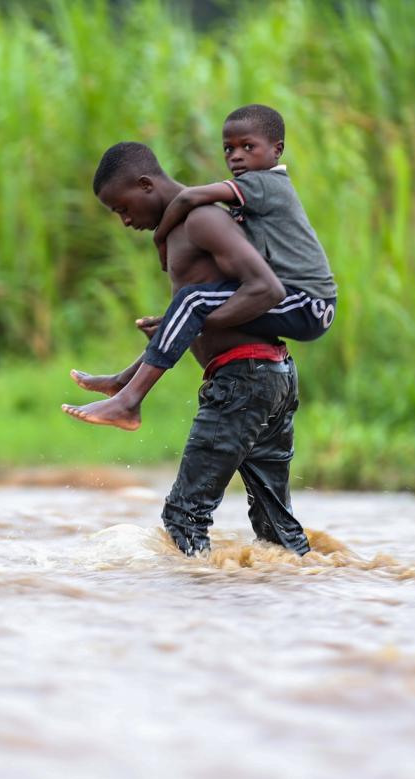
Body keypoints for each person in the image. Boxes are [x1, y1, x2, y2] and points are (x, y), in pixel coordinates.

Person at [67, 141, 310, 557]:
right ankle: (296, 602)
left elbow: (266, 288)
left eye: (122, 208)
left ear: (145, 184)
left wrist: (201, 323)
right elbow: (207, 309)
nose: (125, 220)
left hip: (242, 381)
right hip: (268, 376)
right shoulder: (183, 229)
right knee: (276, 531)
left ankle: (193, 614)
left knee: (184, 517)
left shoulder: (200, 221)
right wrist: (126, 373)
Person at [62, 104, 336, 432]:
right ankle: (125, 382)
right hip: (285, 327)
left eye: (248, 147)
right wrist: (182, 323)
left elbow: (188, 199)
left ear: (277, 150)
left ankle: (129, 400)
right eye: (228, 149)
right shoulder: (244, 202)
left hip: (308, 303)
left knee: (193, 304)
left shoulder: (260, 186)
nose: (236, 156)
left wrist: (161, 239)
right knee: (191, 308)